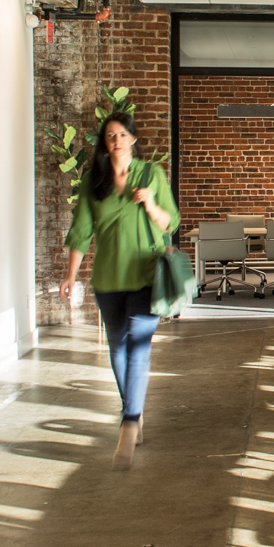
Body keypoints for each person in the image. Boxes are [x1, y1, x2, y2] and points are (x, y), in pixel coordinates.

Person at [63, 113, 179, 468]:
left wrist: (150, 204)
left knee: (139, 346)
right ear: (105, 141)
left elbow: (169, 221)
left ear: (133, 139)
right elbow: (81, 231)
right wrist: (71, 276)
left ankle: (129, 422)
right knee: (117, 348)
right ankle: (134, 408)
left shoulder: (151, 174)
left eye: (123, 134)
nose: (116, 140)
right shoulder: (93, 180)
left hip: (146, 272)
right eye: (110, 135)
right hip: (108, 278)